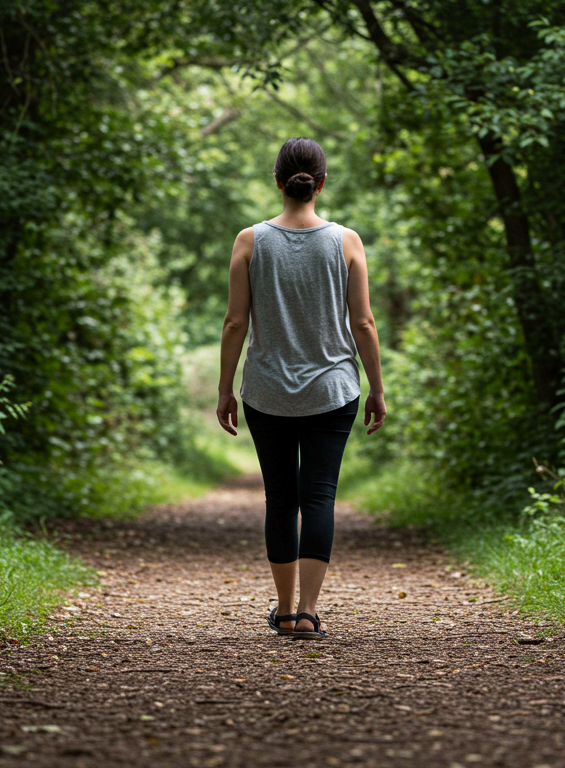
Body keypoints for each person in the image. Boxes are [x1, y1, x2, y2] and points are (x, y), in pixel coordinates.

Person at [216, 137, 387, 641]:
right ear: (321, 182)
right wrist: (376, 387)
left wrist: (225, 389)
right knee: (318, 497)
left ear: (277, 181)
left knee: (280, 499)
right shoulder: (346, 241)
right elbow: (365, 324)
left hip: (266, 391)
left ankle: (284, 609)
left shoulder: (250, 241)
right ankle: (309, 612)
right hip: (333, 391)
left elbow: (234, 323)